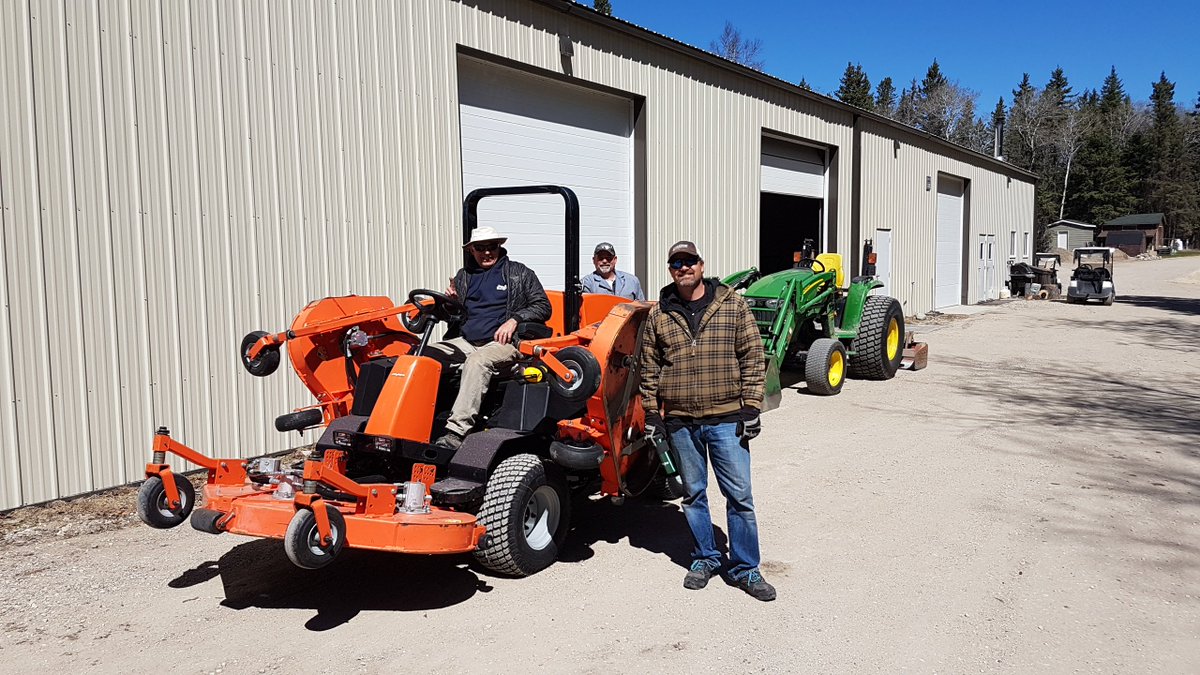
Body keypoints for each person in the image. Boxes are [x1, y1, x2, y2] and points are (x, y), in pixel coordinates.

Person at [639, 240, 774, 601]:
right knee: (693, 494)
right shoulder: (660, 313)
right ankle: (705, 557)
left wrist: (751, 407)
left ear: (701, 264)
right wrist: (652, 413)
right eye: (675, 263)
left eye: (689, 261)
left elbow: (752, 356)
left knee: (739, 496)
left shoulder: (732, 304)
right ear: (670, 270)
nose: (683, 268)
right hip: (681, 422)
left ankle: (746, 568)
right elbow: (649, 368)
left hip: (727, 420)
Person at [431, 226, 551, 451]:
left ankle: (456, 432)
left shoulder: (519, 273)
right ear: (472, 250)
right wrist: (450, 301)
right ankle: (418, 420)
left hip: (505, 343)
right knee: (425, 356)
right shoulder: (464, 276)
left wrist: (515, 319)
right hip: (466, 341)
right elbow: (454, 315)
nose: (487, 252)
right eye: (480, 248)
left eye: (492, 247)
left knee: (478, 361)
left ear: (499, 247)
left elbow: (543, 306)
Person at [581, 242, 645, 300]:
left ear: (615, 260)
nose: (605, 261)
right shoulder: (587, 283)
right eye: (600, 258)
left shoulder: (632, 281)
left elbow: (642, 307)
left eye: (608, 258)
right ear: (594, 260)